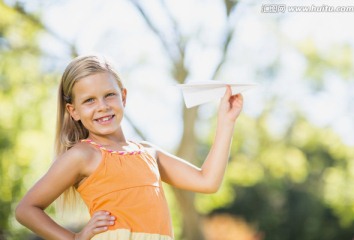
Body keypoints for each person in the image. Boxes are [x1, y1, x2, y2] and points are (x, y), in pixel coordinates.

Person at [15, 54, 244, 240]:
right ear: (73, 110)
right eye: (89, 100)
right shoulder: (83, 155)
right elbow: (26, 209)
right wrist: (74, 238)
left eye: (109, 95)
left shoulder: (148, 153)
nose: (102, 106)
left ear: (123, 96)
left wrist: (226, 121)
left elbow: (207, 181)